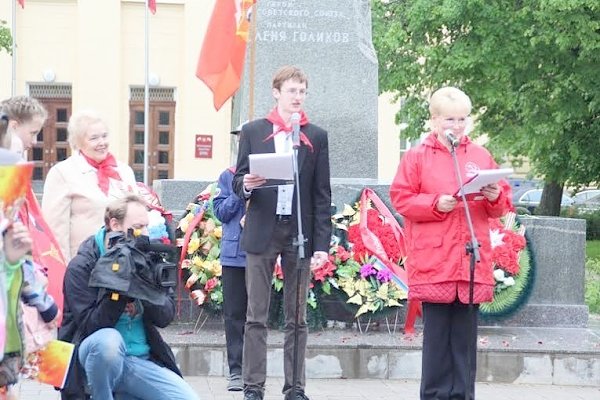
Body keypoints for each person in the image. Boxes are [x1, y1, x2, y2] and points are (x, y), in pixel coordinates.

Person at [389, 87, 512, 400]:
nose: (456, 126)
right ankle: (434, 394)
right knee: (437, 339)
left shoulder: (479, 156)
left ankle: (462, 395)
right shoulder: (417, 156)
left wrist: (495, 196)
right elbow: (401, 198)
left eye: (462, 119)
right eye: (449, 120)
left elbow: (501, 206)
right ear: (434, 120)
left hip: (469, 259)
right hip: (435, 260)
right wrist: (434, 203)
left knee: (464, 341)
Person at [232, 66, 331, 400]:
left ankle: (295, 388)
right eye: (292, 91)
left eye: (302, 92)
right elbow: (238, 178)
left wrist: (322, 244)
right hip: (263, 229)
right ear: (276, 93)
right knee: (256, 314)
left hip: (298, 232)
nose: (297, 98)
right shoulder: (254, 131)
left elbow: (321, 194)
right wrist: (245, 184)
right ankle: (253, 387)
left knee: (297, 318)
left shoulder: (314, 136)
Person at [59, 195, 199, 400]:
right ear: (114, 225)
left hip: (138, 360)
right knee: (108, 342)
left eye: (146, 226)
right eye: (137, 226)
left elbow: (165, 316)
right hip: (92, 363)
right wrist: (118, 292)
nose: (144, 233)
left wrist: (142, 290)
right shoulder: (82, 265)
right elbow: (90, 327)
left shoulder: (145, 256)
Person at [42, 109, 137, 261]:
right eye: (94, 138)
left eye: (104, 136)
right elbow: (55, 231)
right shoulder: (62, 173)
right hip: (84, 265)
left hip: (124, 264)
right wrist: (63, 272)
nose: (102, 143)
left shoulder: (124, 171)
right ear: (78, 142)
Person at [213, 166, 247, 392]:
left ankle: (253, 369)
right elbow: (221, 213)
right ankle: (236, 370)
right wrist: (240, 189)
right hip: (234, 255)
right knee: (233, 315)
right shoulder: (227, 175)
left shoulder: (269, 172)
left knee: (256, 316)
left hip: (261, 252)